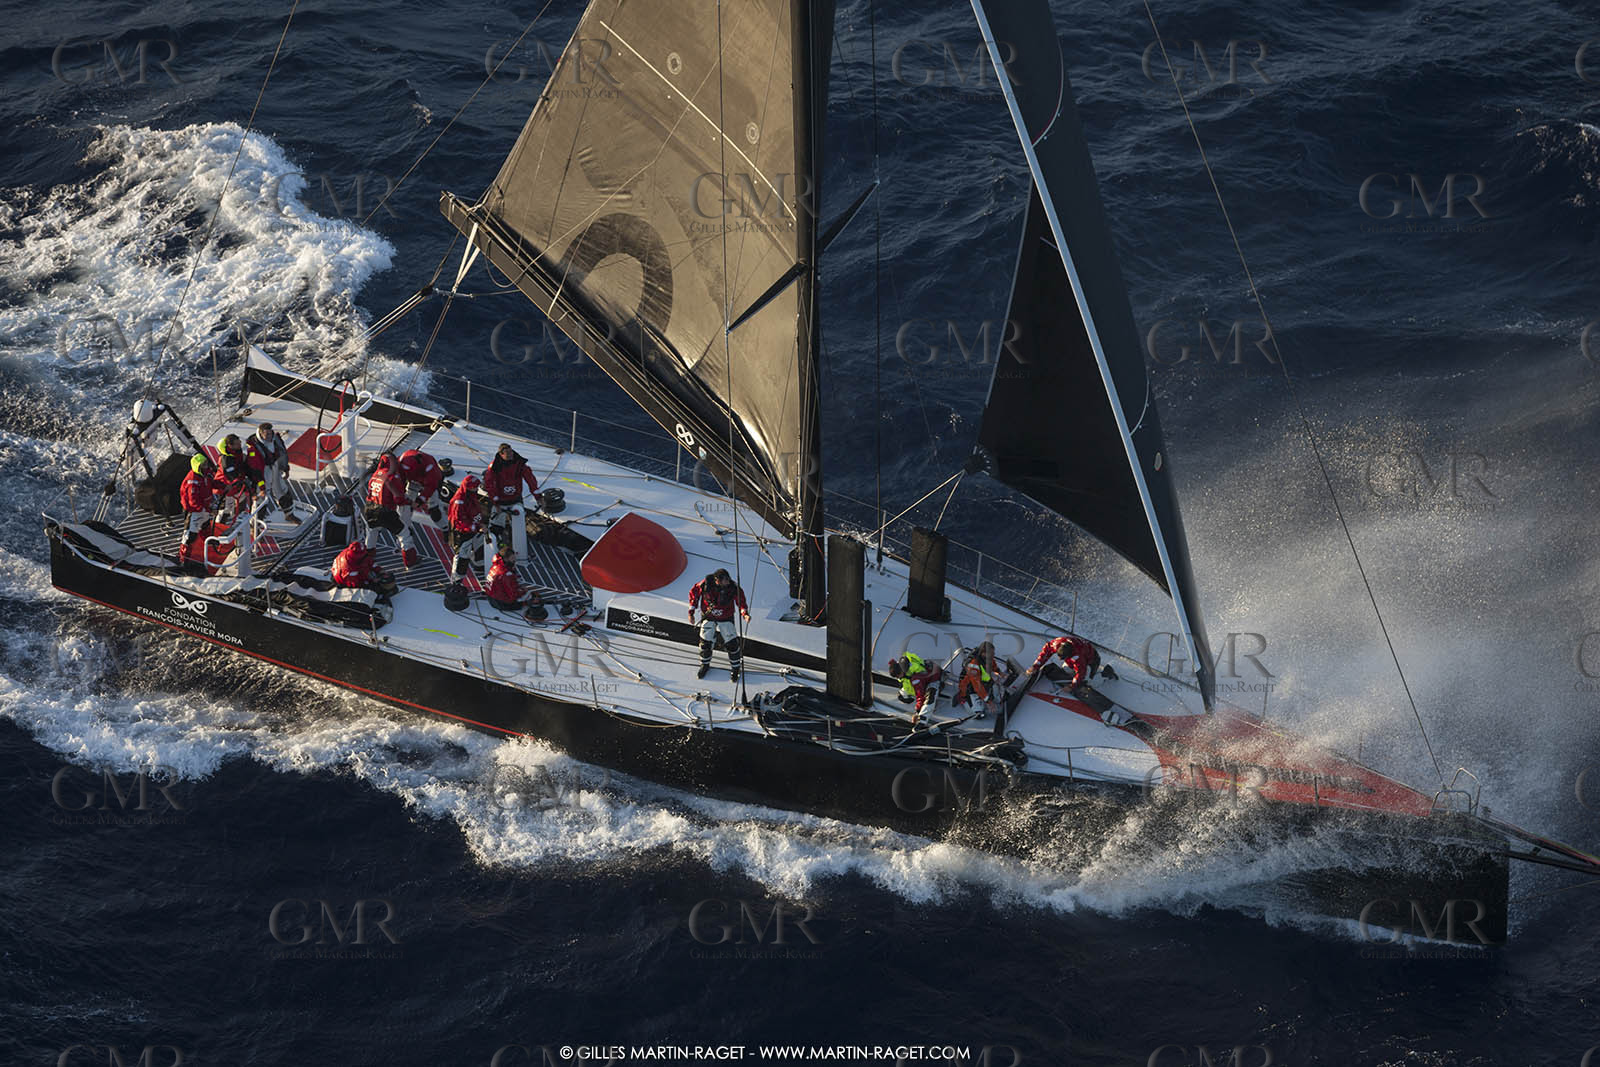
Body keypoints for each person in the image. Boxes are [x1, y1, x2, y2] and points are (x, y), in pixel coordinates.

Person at [687, 567, 748, 681]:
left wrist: (744, 614)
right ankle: (705, 665)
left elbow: (741, 601)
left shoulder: (733, 588)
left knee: (732, 644)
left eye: (728, 579)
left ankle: (735, 668)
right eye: (725, 580)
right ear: (717, 580)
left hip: (726, 618)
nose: (728, 582)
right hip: (709, 617)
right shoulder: (704, 584)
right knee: (705, 643)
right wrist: (691, 612)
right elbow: (694, 594)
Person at [484, 443, 539, 557]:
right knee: (496, 528)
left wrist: (538, 496)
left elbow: (530, 480)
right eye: (507, 453)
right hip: (500, 502)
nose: (510, 455)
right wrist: (496, 502)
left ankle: (515, 551)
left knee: (518, 527)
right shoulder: (494, 467)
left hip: (515, 500)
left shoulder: (520, 464)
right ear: (501, 454)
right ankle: (495, 550)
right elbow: (489, 484)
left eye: (511, 452)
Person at [365, 453, 418, 567]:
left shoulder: (375, 474)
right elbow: (399, 499)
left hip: (370, 508)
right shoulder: (392, 476)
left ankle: (368, 556)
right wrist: (410, 503)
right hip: (385, 511)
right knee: (404, 534)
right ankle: (410, 561)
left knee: (372, 531)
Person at [486, 547, 547, 620]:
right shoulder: (507, 574)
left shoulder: (496, 565)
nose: (514, 560)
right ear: (506, 559)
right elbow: (513, 595)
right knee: (531, 595)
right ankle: (532, 610)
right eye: (512, 558)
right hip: (502, 604)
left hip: (491, 598)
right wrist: (525, 592)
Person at [178, 452, 222, 555]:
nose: (207, 466)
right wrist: (209, 510)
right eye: (204, 464)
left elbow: (213, 483)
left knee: (205, 526)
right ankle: (184, 555)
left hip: (205, 507)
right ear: (198, 467)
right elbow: (193, 502)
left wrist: (224, 486)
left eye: (206, 463)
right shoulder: (192, 481)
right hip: (194, 511)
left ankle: (209, 542)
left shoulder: (206, 474)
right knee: (190, 535)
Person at [447, 474, 488, 578]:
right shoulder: (459, 501)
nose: (477, 489)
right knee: (462, 557)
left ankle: (479, 564)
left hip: (474, 529)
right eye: (475, 487)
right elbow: (459, 522)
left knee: (479, 546)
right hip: (462, 533)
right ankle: (456, 580)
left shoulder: (470, 496)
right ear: (469, 488)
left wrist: (479, 524)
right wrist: (477, 527)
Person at [245, 422, 292, 513]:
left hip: (275, 468)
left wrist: (286, 469)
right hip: (263, 473)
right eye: (267, 434)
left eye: (270, 433)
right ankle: (256, 519)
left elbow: (283, 455)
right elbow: (255, 468)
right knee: (261, 497)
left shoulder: (276, 440)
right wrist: (262, 487)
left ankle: (289, 513)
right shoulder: (253, 449)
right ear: (261, 433)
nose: (269, 436)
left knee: (283, 490)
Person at [1027, 633, 1101, 687]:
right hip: (1078, 654)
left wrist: (1072, 686)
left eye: (1062, 658)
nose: (1059, 659)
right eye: (1059, 656)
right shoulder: (1057, 643)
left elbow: (1081, 672)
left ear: (1070, 655)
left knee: (1087, 681)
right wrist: (1035, 666)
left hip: (1092, 659)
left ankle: (1101, 675)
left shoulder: (1078, 657)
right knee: (1067, 670)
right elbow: (1045, 652)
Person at [888, 652, 942, 719]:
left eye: (897, 676)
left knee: (929, 698)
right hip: (923, 678)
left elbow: (920, 694)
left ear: (901, 672)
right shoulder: (905, 666)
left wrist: (918, 710)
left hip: (932, 680)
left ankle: (923, 718)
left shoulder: (915, 677)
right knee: (902, 696)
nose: (898, 678)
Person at [397, 447, 445, 521]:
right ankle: (405, 521)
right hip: (413, 481)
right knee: (407, 503)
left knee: (434, 503)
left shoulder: (430, 467)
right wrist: (400, 491)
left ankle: (435, 511)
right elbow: (400, 476)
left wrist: (420, 499)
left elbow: (431, 486)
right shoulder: (402, 461)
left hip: (428, 482)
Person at [331, 540, 395, 595]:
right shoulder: (350, 570)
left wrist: (379, 570)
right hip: (345, 581)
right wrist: (371, 581)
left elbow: (368, 560)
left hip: (347, 573)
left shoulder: (348, 552)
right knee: (371, 589)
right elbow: (356, 583)